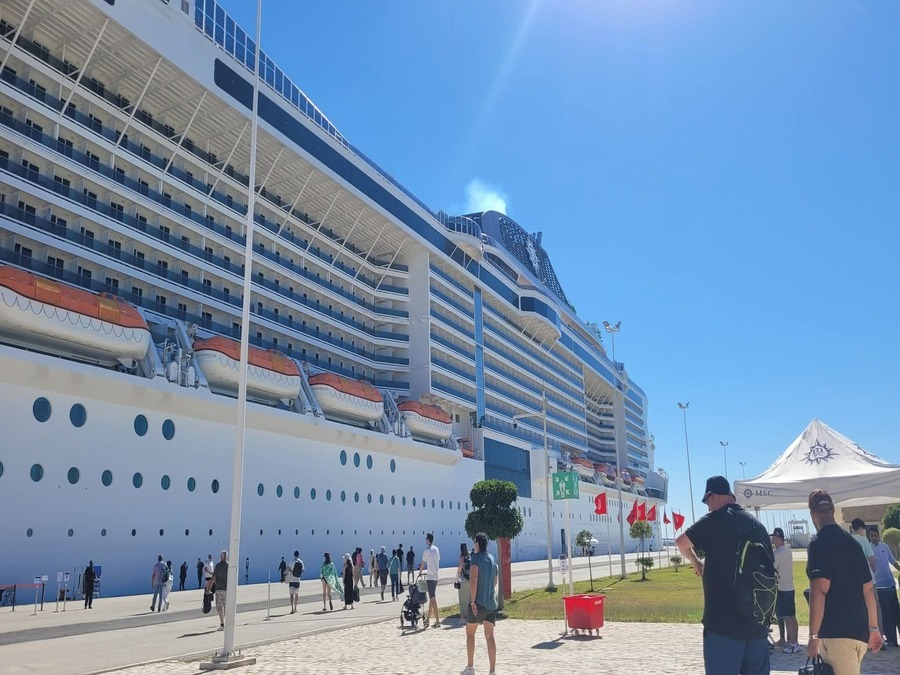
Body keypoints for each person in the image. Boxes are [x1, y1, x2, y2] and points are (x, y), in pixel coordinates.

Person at [675, 475, 771, 674]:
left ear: (715, 495)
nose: (708, 506)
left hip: (723, 625)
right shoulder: (757, 526)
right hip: (758, 625)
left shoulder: (716, 519)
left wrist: (696, 563)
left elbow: (681, 542)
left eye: (707, 500)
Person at [806, 489, 882, 673]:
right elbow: (868, 590)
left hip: (835, 634)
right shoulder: (853, 543)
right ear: (832, 510)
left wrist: (813, 636)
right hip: (859, 634)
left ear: (812, 514)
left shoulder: (818, 543)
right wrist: (873, 628)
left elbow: (819, 591)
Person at [461, 532, 498, 675]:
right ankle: (492, 671)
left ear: (477, 544)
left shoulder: (475, 558)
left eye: (474, 542)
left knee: (470, 633)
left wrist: (472, 601)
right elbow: (494, 581)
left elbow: (474, 579)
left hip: (479, 603)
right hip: (491, 603)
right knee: (489, 636)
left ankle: (470, 668)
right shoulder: (491, 558)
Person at [849, 520, 880, 641]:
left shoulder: (848, 540)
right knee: (875, 606)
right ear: (862, 528)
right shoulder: (864, 540)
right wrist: (874, 567)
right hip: (868, 579)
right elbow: (871, 559)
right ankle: (879, 635)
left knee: (859, 608)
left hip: (854, 581)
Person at [869, 528, 900, 647]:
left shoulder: (884, 547)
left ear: (879, 535)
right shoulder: (869, 550)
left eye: (875, 535)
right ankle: (892, 640)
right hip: (880, 587)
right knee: (887, 616)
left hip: (891, 585)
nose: (874, 538)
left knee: (896, 612)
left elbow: (893, 562)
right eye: (871, 536)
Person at [770, 528, 800, 653]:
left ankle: (792, 644)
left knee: (787, 618)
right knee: (792, 617)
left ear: (777, 538)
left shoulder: (778, 553)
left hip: (782, 588)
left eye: (773, 538)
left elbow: (770, 567)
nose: (772, 540)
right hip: (790, 587)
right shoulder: (787, 550)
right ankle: (795, 642)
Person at [419, 533, 441, 628]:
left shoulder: (426, 550)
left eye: (426, 539)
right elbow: (437, 560)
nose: (425, 541)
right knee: (432, 599)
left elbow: (423, 563)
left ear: (428, 540)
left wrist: (420, 572)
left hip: (430, 577)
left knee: (433, 599)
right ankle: (428, 620)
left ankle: (437, 621)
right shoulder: (436, 549)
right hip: (436, 576)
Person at [211, 550, 228, 630]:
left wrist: (209, 588)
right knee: (226, 606)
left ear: (221, 556)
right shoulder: (229, 565)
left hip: (219, 589)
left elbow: (213, 578)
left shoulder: (218, 566)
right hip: (227, 589)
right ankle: (224, 622)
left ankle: (222, 624)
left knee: (219, 607)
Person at [457, 542, 472, 620]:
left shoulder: (461, 557)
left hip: (463, 580)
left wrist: (457, 576)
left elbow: (460, 567)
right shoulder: (469, 555)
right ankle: (470, 613)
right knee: (469, 597)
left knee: (462, 598)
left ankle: (463, 614)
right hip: (470, 579)